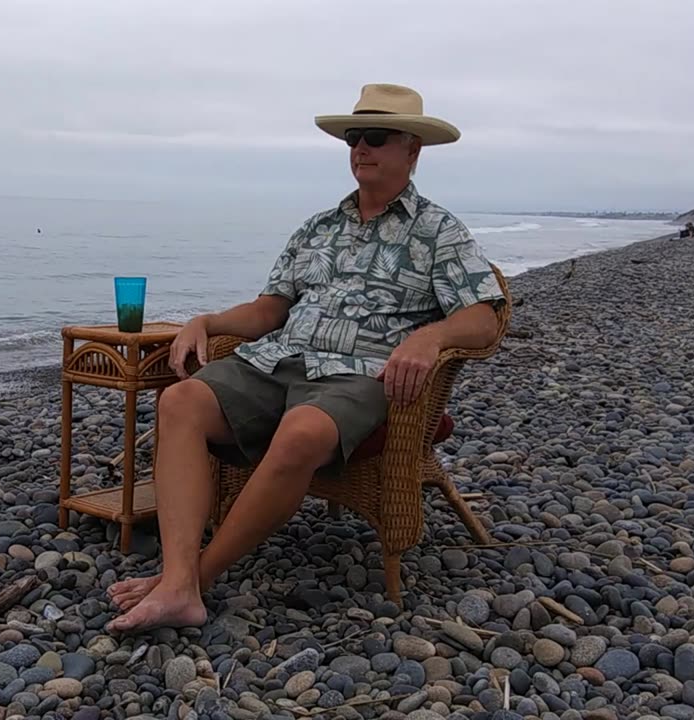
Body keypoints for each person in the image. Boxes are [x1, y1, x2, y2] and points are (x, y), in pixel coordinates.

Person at [105, 83, 505, 632]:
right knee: (180, 402)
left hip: (361, 372)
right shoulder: (319, 227)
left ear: (412, 150)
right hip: (279, 358)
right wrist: (208, 321)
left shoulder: (438, 231)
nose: (360, 147)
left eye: (376, 137)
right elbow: (270, 309)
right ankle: (177, 580)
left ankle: (194, 581)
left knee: (300, 434)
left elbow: (485, 316)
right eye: (353, 137)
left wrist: (428, 338)